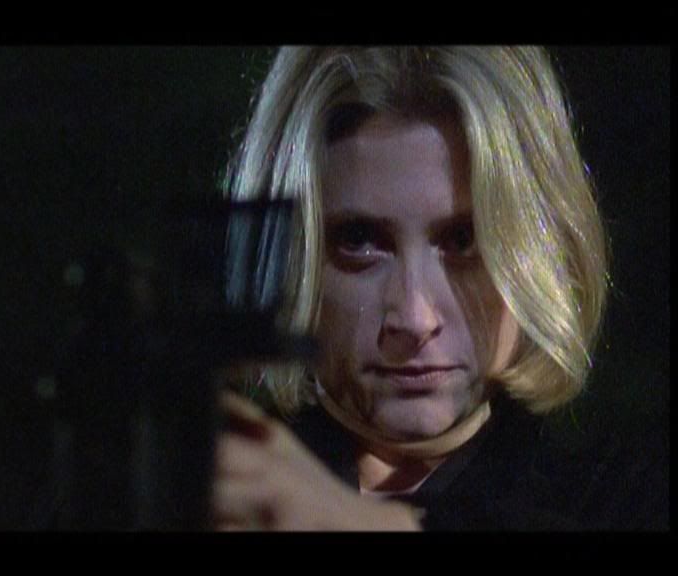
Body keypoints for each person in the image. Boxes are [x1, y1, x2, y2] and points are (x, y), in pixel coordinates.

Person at [212, 46, 665, 531]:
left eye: (463, 240)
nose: (415, 318)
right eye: (359, 241)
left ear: (538, 250)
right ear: (286, 252)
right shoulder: (200, 486)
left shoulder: (625, 501)